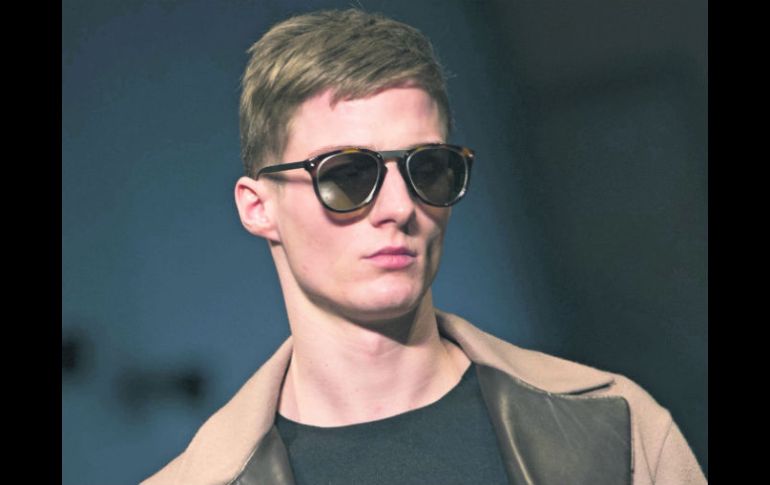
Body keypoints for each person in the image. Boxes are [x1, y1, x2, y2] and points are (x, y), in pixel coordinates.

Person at [141, 8, 706, 485]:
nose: (400, 208)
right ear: (258, 207)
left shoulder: (616, 429)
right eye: (347, 175)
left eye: (428, 168)